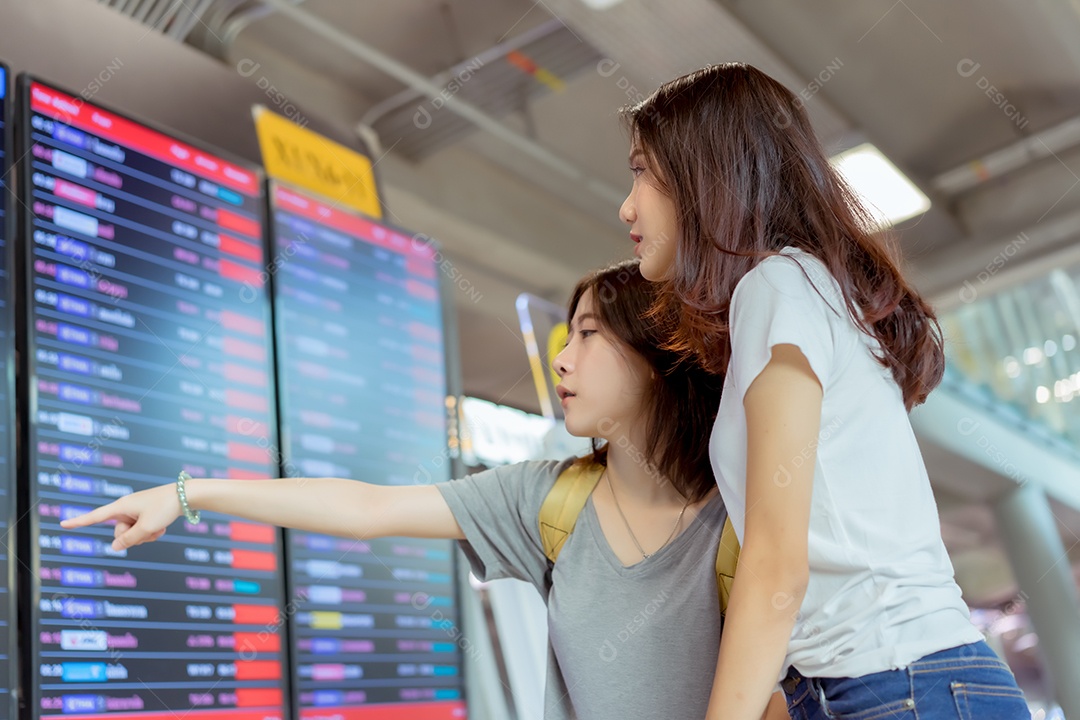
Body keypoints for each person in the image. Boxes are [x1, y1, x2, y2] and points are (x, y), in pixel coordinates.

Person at [62, 260, 785, 720]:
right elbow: (365, 509)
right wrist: (189, 495)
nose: (562, 360)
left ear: (656, 359)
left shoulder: (744, 522)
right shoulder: (546, 502)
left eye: (589, 335)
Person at [617, 63, 1030, 720]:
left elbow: (779, 567)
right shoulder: (808, 290)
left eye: (641, 171)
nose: (627, 205)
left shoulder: (775, 287)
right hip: (903, 685)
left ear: (705, 173)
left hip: (899, 686)